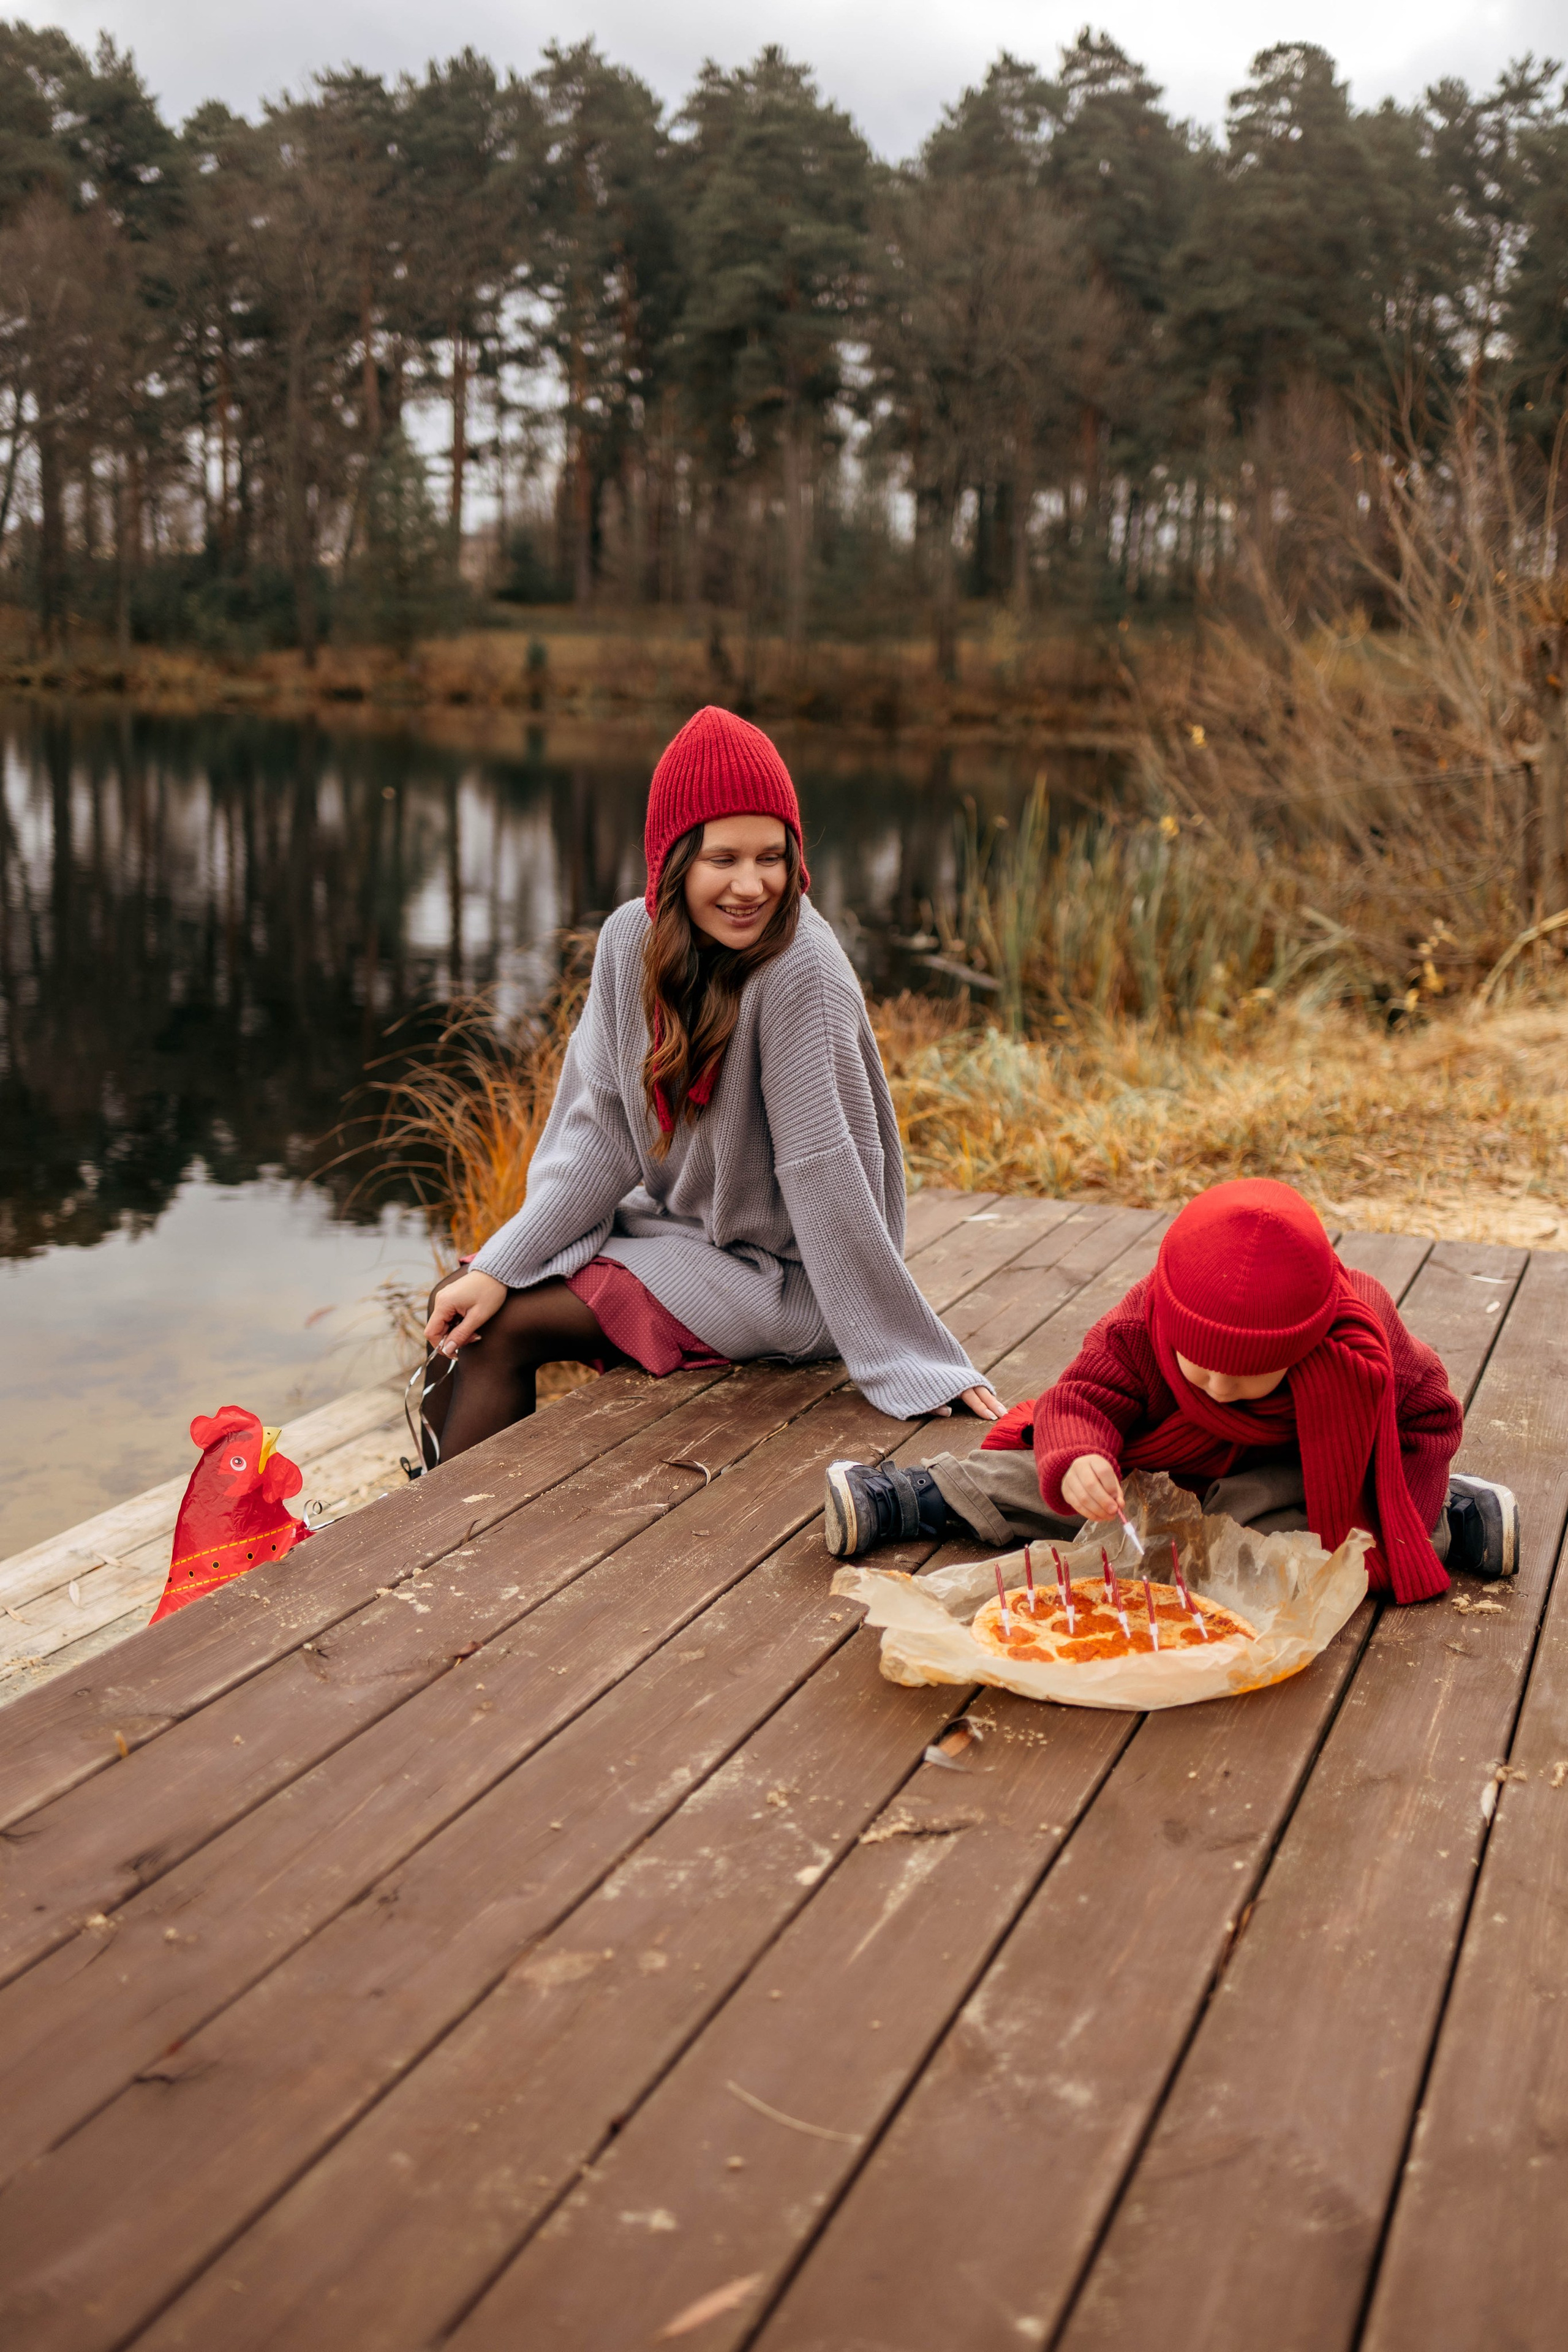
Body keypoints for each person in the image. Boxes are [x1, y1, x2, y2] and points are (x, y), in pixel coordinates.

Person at [420, 704, 1001, 1461]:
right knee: (458, 1304)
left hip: (788, 1280)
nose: (752, 886)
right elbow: (598, 1136)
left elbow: (824, 1172)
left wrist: (909, 1354)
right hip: (681, 1238)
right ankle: (420, 1514)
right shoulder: (630, 943)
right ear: (672, 861)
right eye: (722, 859)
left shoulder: (801, 970)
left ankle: (445, 1553)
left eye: (772, 857)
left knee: (504, 1329)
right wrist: (500, 1262)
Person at [824, 1177, 1520, 1596]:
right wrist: (1081, 1461)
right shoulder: (1143, 1318)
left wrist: (1407, 1514)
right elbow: (1083, 1399)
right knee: (1058, 1485)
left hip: (1284, 1474)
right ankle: (920, 1497)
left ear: (1302, 1344)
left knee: (1278, 1524)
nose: (1217, 1386)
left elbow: (1427, 1419)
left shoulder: (1360, 1337)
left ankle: (1454, 1519)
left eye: (1245, 1375)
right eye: (1199, 1364)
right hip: (1150, 1459)